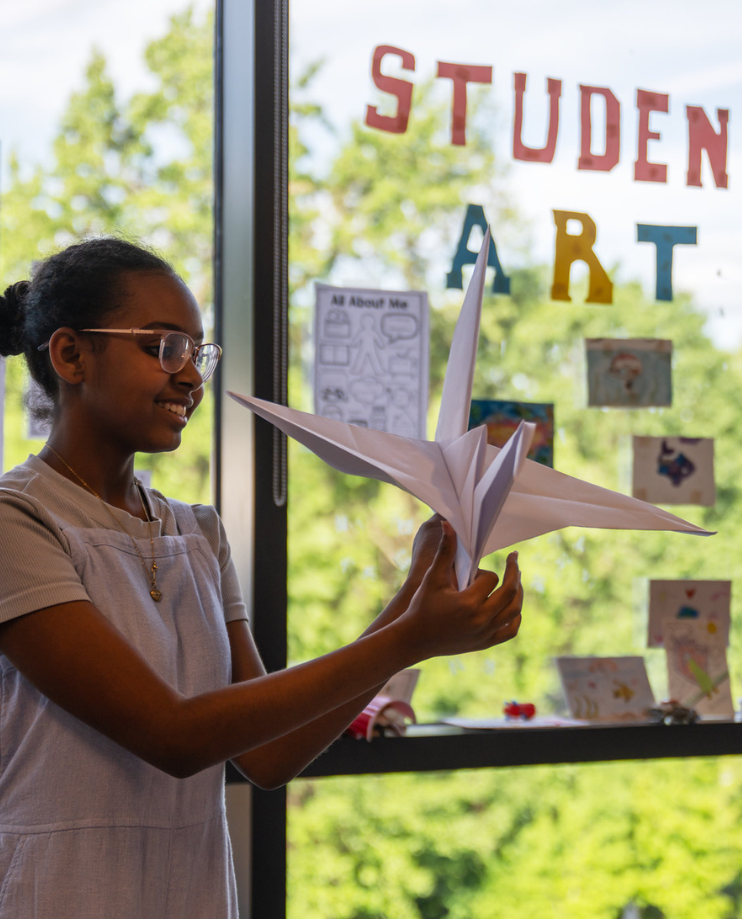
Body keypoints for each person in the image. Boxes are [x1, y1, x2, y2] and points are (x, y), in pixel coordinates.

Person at [0, 237, 523, 918]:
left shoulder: (198, 532)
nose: (191, 375)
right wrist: (407, 640)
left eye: (199, 351)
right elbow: (174, 735)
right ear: (70, 354)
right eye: (164, 347)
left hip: (192, 895)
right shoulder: (19, 520)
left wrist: (413, 596)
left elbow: (269, 755)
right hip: (63, 893)